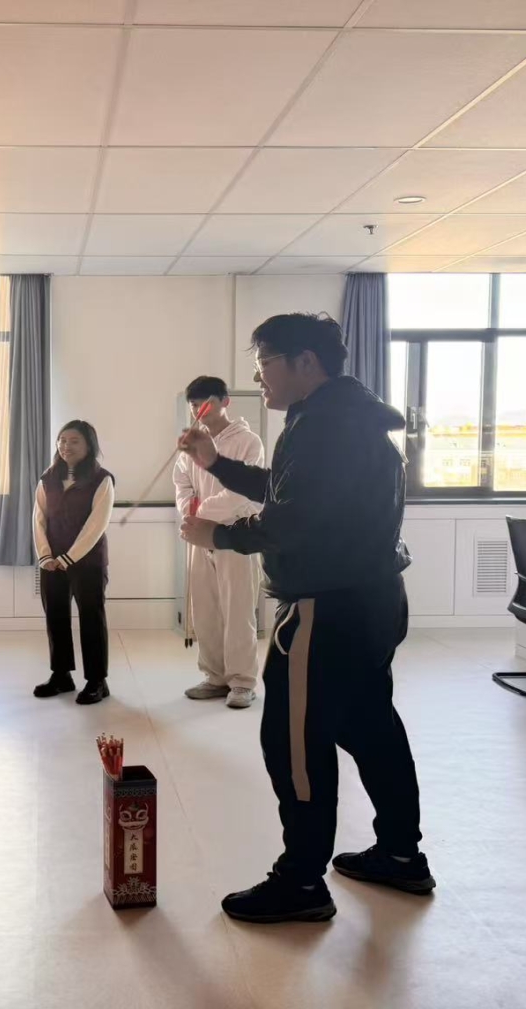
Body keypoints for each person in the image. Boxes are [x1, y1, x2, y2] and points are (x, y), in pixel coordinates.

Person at [179, 312, 432, 924]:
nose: (258, 376)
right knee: (370, 725)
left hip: (326, 607)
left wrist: (219, 534)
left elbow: (294, 520)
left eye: (264, 362)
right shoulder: (344, 417)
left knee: (294, 741)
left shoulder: (325, 425)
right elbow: (292, 491)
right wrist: (217, 463)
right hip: (368, 598)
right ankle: (401, 854)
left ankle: (301, 880)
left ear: (305, 362)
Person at [173, 376, 264, 709]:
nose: (199, 410)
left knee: (238, 609)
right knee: (205, 608)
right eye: (194, 405)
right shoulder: (192, 442)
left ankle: (242, 682)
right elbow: (181, 481)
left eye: (205, 403)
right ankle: (215, 676)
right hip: (199, 535)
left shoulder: (248, 441)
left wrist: (203, 513)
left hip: (235, 534)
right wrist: (190, 511)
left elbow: (243, 492)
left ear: (225, 402)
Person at [33, 420, 115, 705]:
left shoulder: (102, 479)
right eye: (62, 440)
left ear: (89, 445)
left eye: (74, 441)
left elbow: (96, 525)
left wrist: (69, 558)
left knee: (92, 618)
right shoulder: (48, 478)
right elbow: (39, 518)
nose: (66, 446)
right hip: (52, 563)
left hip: (87, 562)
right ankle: (61, 675)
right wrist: (45, 556)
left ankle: (97, 681)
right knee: (55, 617)